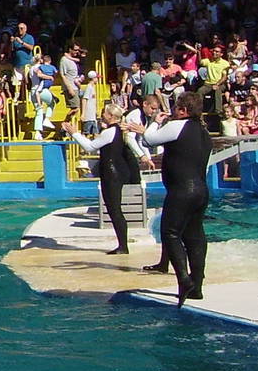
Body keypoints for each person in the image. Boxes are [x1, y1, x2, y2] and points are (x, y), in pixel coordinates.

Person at [124, 91, 211, 303]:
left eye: (176, 109)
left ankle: (184, 280)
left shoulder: (178, 125)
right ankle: (197, 285)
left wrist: (155, 121)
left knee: (170, 233)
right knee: (195, 235)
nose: (172, 112)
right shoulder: (203, 131)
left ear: (183, 110)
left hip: (182, 190)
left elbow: (151, 139)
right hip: (201, 190)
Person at [63, 103, 142, 254]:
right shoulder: (118, 130)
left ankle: (123, 246)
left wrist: (74, 133)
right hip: (116, 172)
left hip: (112, 174)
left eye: (104, 113)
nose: (101, 115)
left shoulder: (110, 131)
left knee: (114, 210)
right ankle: (122, 245)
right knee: (114, 209)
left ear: (111, 116)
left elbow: (90, 147)